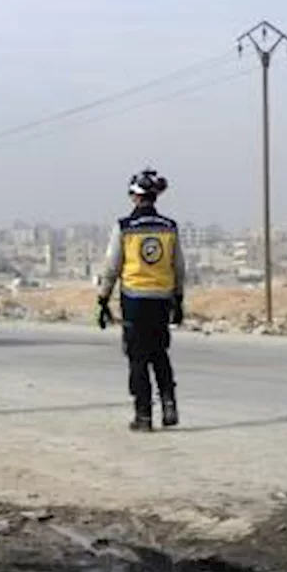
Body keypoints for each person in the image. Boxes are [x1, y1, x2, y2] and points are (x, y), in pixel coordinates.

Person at [97, 168, 187, 432]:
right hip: (162, 299)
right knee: (159, 353)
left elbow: (112, 266)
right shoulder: (169, 227)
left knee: (137, 357)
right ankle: (169, 403)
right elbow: (179, 267)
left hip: (134, 300)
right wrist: (178, 300)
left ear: (134, 197)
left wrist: (103, 299)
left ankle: (144, 415)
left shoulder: (124, 227)